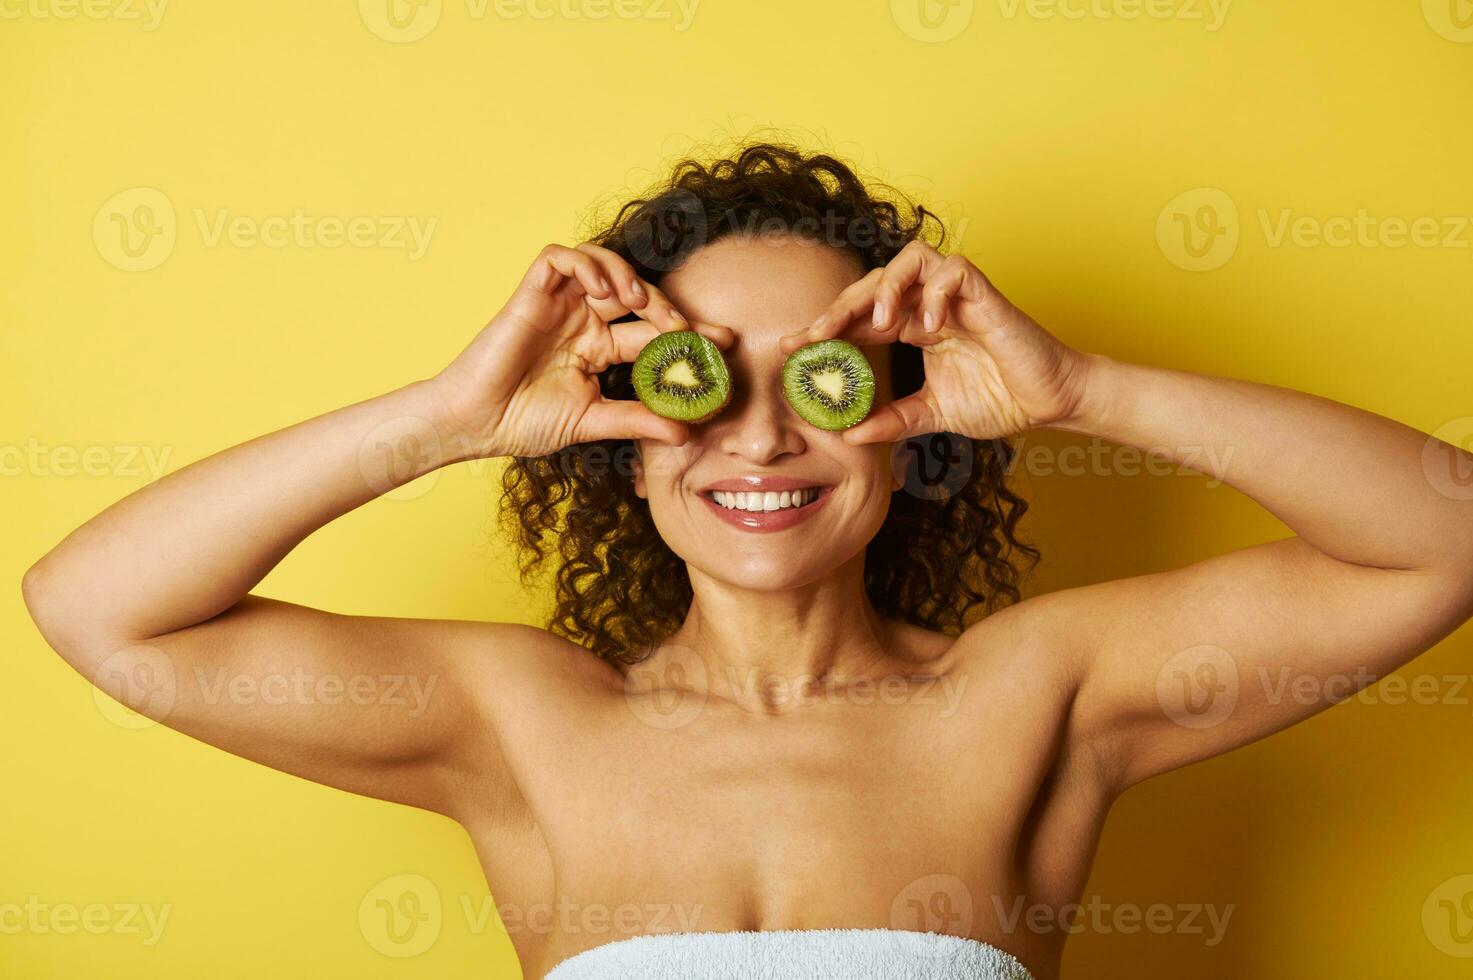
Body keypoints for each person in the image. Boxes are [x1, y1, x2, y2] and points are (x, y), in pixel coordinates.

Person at [22, 143, 1473, 980]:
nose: (762, 442)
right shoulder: (523, 723)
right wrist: (450, 418)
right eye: (699, 384)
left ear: (913, 419)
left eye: (825, 377)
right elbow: (98, 611)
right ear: (621, 428)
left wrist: (1082, 387)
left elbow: (1445, 533)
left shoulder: (1036, 693)